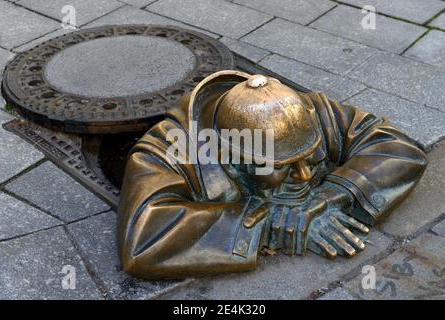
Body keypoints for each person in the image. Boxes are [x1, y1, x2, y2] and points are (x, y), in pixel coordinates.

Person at [117, 70, 426, 279]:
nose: (304, 176)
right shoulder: (166, 151)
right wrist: (268, 224)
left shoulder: (300, 111)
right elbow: (143, 240)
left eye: (307, 158)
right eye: (280, 166)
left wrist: (331, 196)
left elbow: (398, 146)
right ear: (233, 158)